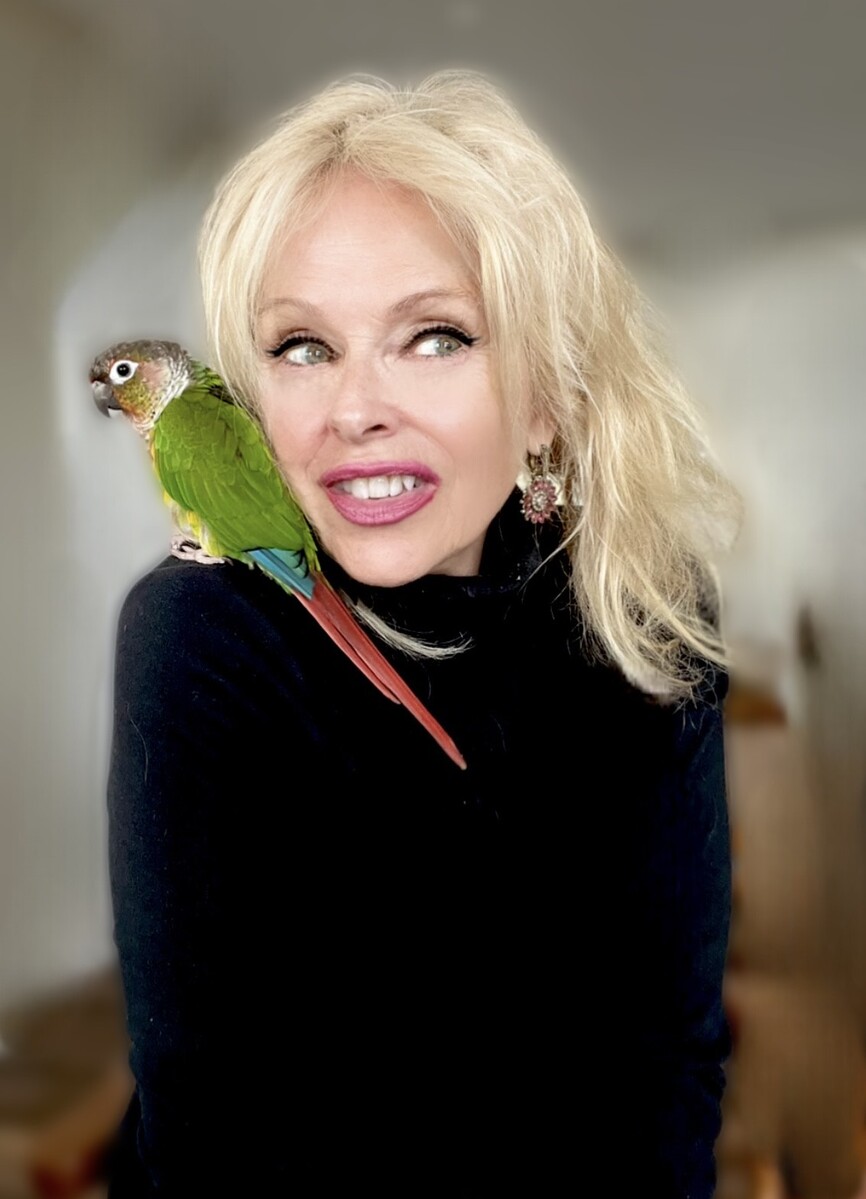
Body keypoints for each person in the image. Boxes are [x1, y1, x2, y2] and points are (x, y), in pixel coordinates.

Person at [105, 70, 737, 1197]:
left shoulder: (645, 606)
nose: (354, 409)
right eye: (303, 347)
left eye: (435, 336)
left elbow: (667, 1072)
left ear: (542, 397)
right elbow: (217, 1140)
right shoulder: (202, 636)